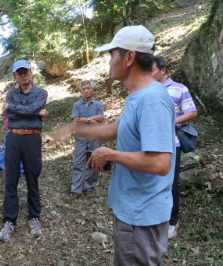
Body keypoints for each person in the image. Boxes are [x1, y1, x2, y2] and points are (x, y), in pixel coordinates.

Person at [53, 25, 175, 265]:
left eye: (112, 54)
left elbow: (161, 163)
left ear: (129, 57)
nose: (109, 61)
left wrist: (110, 154)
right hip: (133, 211)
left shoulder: (152, 99)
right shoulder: (137, 96)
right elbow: (116, 128)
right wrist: (75, 129)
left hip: (142, 217)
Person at [0, 60, 49, 242]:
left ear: (30, 73)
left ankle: (34, 216)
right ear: (15, 77)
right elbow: (14, 114)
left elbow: (30, 109)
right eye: (18, 73)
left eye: (25, 72)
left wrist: (14, 108)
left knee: (32, 177)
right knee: (11, 178)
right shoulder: (10, 94)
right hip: (13, 137)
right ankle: (10, 219)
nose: (22, 75)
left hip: (32, 137)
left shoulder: (41, 93)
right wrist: (30, 112)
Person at [152, 55, 197, 239]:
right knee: (153, 180)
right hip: (151, 143)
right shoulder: (149, 90)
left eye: (152, 70)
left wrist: (170, 121)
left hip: (172, 143)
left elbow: (192, 112)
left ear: (163, 70)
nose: (149, 73)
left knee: (171, 182)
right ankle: (156, 218)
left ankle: (172, 221)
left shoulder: (179, 89)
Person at [69, 80, 104, 200]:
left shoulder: (98, 105)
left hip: (95, 136)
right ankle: (76, 190)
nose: (86, 90)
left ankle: (89, 187)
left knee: (95, 162)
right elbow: (76, 122)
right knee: (78, 163)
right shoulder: (76, 105)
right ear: (80, 91)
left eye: (89, 88)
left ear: (92, 90)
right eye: (84, 89)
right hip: (81, 137)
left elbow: (100, 122)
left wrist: (85, 120)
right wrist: (92, 119)